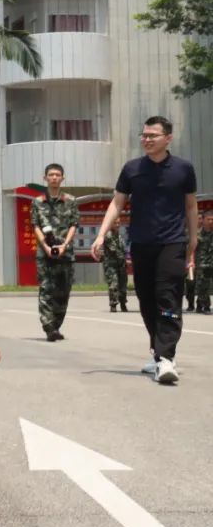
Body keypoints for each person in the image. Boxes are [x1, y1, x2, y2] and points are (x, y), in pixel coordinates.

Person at [92, 115, 198, 384]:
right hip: (141, 243)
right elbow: (117, 203)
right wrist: (101, 234)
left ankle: (166, 358)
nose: (147, 140)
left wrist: (193, 241)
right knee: (146, 299)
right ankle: (157, 352)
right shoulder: (132, 169)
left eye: (153, 135)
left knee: (168, 296)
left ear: (168, 138)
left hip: (172, 242)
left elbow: (190, 206)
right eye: (144, 135)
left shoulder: (183, 169)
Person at [30, 163, 79, 341]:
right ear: (45, 178)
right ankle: (48, 327)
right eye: (51, 175)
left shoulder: (70, 201)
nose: (54, 178)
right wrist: (46, 247)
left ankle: (56, 325)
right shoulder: (37, 202)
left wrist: (64, 245)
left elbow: (74, 224)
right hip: (45, 254)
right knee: (46, 290)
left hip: (66, 253)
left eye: (57, 175)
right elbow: (35, 225)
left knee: (63, 291)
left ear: (62, 178)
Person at [101, 221, 129, 313]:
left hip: (121, 264)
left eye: (118, 223)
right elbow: (114, 250)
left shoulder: (119, 236)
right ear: (111, 224)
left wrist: (125, 260)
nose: (117, 225)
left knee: (123, 285)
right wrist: (125, 259)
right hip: (111, 265)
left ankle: (123, 303)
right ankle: (113, 305)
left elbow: (123, 250)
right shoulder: (108, 235)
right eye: (115, 223)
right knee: (113, 284)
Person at [195, 211, 213, 314]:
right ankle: (203, 305)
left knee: (207, 285)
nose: (210, 221)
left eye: (212, 219)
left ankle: (204, 305)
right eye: (208, 219)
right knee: (202, 285)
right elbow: (192, 249)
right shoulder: (197, 234)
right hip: (202, 264)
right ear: (203, 220)